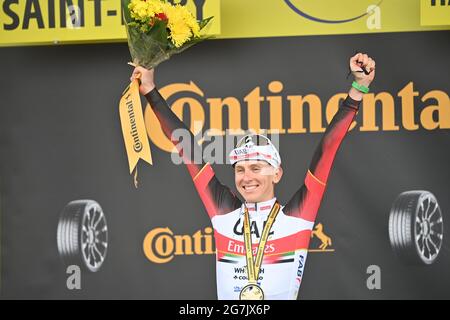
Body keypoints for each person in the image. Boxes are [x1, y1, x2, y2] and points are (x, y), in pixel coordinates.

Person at [130, 53, 376, 300]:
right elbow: (187, 149)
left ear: (277, 174)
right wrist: (150, 90)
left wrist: (358, 89)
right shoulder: (223, 213)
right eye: (240, 169)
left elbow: (328, 147)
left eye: (256, 168)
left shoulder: (299, 216)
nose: (246, 177)